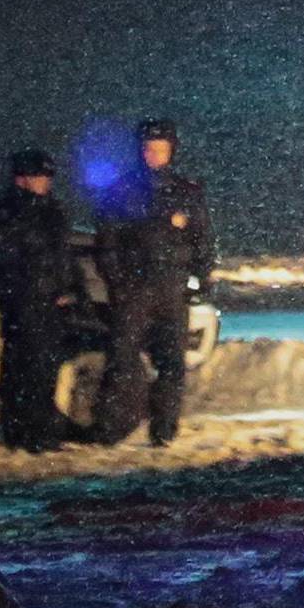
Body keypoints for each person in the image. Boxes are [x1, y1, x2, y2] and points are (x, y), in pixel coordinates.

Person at [91, 119, 214, 447]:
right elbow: (107, 244)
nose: (155, 155)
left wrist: (199, 280)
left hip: (172, 289)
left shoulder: (186, 192)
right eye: (149, 149)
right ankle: (111, 429)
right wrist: (120, 283)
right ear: (140, 150)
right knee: (122, 359)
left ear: (171, 151)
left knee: (172, 363)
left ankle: (163, 431)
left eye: (162, 149)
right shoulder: (121, 190)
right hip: (135, 290)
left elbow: (202, 240)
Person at [0, 148, 77, 452]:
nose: (45, 182)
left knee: (45, 366)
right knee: (24, 366)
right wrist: (15, 292)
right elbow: (4, 257)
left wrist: (63, 288)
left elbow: (62, 255)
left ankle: (39, 429)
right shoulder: (6, 210)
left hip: (48, 300)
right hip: (22, 300)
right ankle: (23, 431)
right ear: (23, 178)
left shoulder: (50, 209)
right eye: (40, 176)